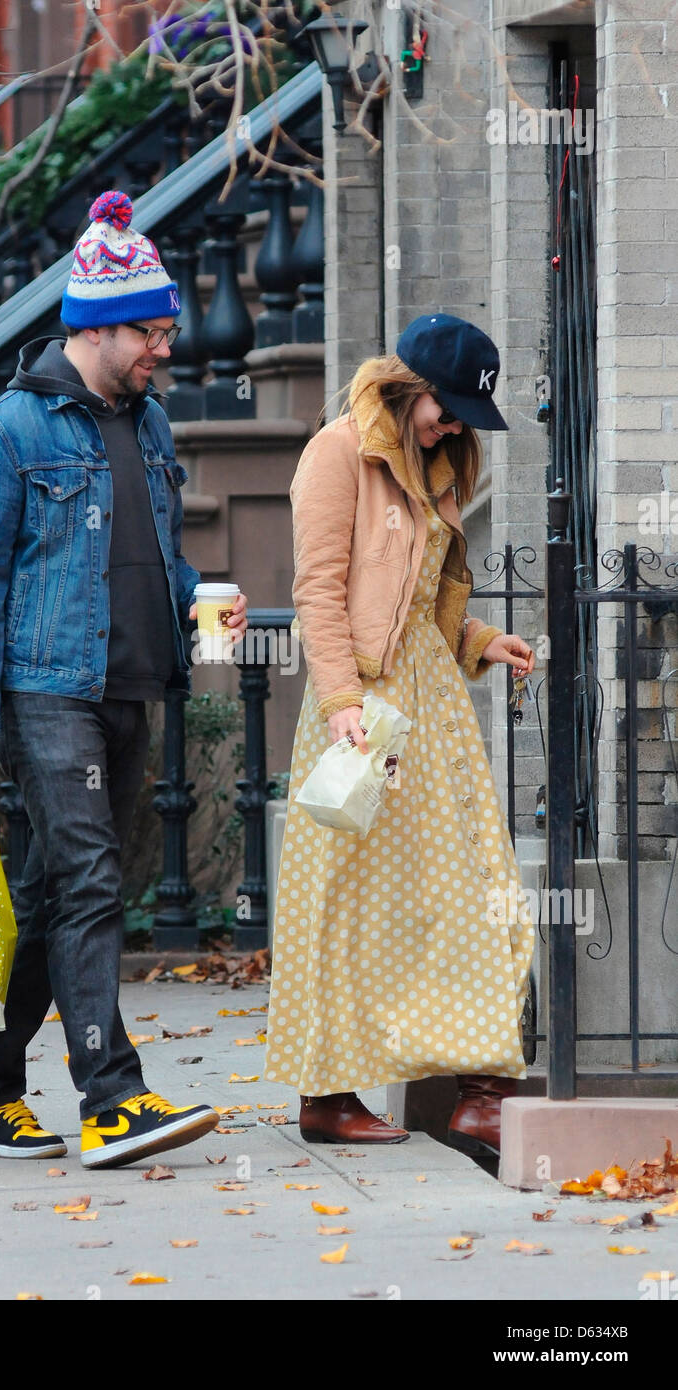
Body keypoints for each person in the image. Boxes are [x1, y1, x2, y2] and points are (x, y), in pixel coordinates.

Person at [0, 189, 248, 1169]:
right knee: (90, 880)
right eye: (152, 329)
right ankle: (111, 1096)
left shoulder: (148, 425)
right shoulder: (6, 432)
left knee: (50, 895)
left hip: (128, 687)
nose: (165, 344)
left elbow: (151, 553)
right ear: (99, 327)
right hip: (46, 689)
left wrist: (204, 593)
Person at [264, 314, 535, 1157]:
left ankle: (480, 1089)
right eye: (444, 409)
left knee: (474, 886)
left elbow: (429, 599)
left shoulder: (439, 463)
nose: (451, 425)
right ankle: (327, 1094)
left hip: (432, 700)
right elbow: (318, 588)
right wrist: (342, 698)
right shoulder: (339, 451)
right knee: (342, 897)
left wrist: (480, 640)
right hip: (363, 704)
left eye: (461, 416)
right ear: (406, 384)